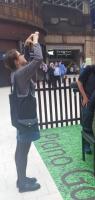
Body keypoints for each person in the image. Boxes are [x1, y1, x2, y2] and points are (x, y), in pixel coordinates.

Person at [4, 32, 43, 192]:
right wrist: (35, 41)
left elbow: (26, 62)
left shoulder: (18, 73)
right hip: (26, 121)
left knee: (22, 150)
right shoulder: (20, 74)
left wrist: (26, 47)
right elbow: (38, 60)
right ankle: (22, 183)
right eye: (20, 55)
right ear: (16, 61)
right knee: (22, 151)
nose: (22, 56)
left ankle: (22, 178)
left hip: (23, 120)